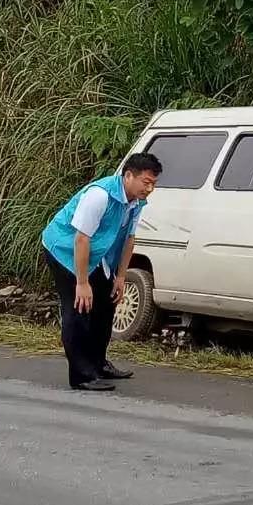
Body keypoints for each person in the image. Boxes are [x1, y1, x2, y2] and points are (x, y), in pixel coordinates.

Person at [41, 152, 162, 391]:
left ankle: (98, 363)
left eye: (153, 184)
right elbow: (81, 239)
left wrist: (120, 276)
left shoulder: (136, 201)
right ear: (128, 176)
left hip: (97, 255)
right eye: (145, 182)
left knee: (106, 304)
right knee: (79, 309)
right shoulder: (99, 195)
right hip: (65, 251)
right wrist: (82, 283)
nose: (149, 189)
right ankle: (81, 375)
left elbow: (129, 238)